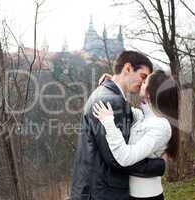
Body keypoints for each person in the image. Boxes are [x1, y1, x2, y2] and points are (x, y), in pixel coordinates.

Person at [70, 51, 166, 200]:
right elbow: (117, 159)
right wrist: (158, 165)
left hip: (96, 189)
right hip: (103, 193)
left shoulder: (106, 95)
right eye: (143, 76)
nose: (144, 83)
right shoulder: (111, 101)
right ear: (127, 69)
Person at [93, 70, 179, 200]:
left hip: (147, 197)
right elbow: (124, 106)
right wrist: (116, 84)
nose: (141, 84)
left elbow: (125, 157)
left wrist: (108, 122)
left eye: (145, 83)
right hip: (133, 195)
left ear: (150, 93)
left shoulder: (160, 126)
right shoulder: (144, 117)